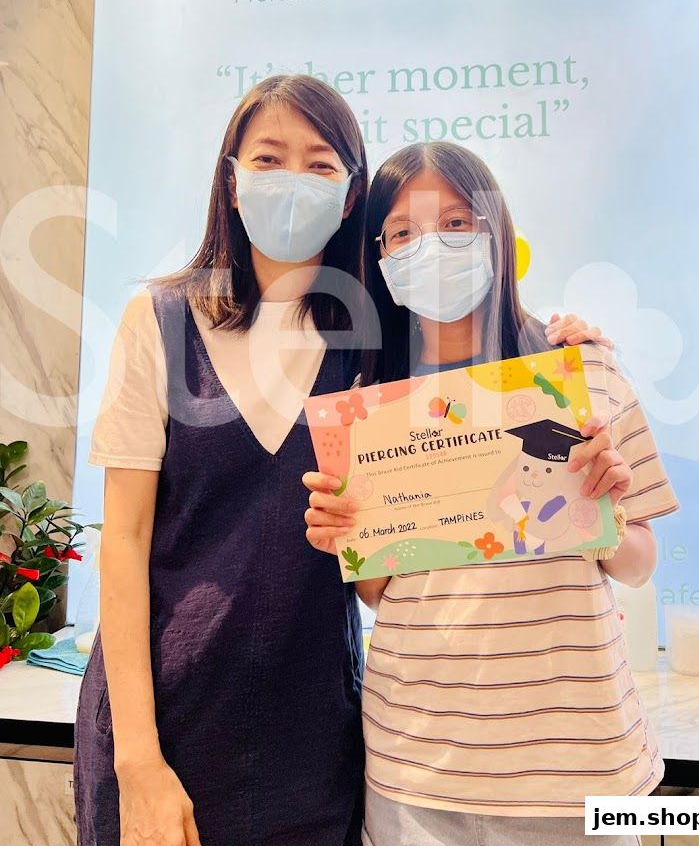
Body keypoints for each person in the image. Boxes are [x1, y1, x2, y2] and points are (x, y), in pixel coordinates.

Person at [74, 79, 603, 846]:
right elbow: (121, 541)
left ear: (352, 193)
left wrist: (562, 341)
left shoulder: (374, 346)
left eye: (321, 164)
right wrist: (139, 763)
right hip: (164, 718)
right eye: (269, 158)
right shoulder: (158, 320)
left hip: (312, 727)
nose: (294, 179)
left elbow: (485, 369)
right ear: (231, 178)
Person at [304, 141, 679, 846]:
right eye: (403, 233)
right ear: (379, 258)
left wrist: (604, 510)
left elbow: (638, 563)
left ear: (496, 232)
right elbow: (381, 593)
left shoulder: (579, 372)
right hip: (415, 763)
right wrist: (343, 534)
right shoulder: (366, 408)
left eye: (455, 223)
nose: (430, 247)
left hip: (574, 767)